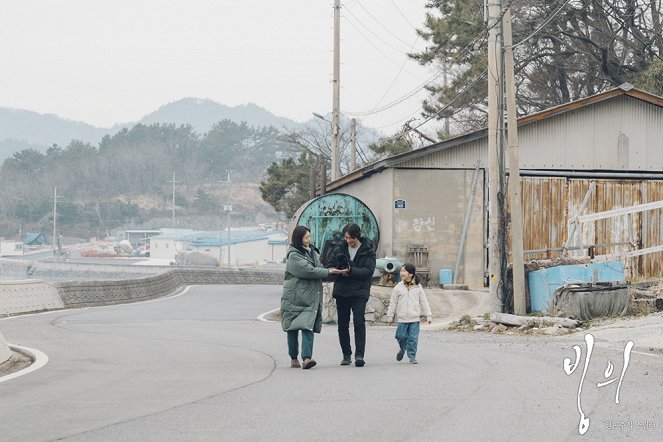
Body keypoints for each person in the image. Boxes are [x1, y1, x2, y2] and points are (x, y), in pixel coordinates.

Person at [281, 225, 346, 369]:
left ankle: (306, 358)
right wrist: (328, 272)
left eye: (309, 236)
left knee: (307, 326)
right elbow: (309, 271)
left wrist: (331, 270)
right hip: (295, 297)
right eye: (306, 237)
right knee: (292, 328)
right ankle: (293, 358)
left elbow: (319, 267)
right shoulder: (293, 256)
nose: (309, 239)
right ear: (299, 238)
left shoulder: (312, 252)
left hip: (309, 296)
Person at [327, 223, 376, 367]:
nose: (349, 241)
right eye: (346, 237)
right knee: (342, 324)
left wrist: (350, 271)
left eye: (351, 238)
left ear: (357, 236)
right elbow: (329, 266)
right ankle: (346, 355)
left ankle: (359, 355)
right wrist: (337, 271)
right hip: (342, 290)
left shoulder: (368, 251)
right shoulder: (339, 249)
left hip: (360, 291)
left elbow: (368, 271)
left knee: (359, 322)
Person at [386, 263, 432, 364]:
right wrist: (390, 316)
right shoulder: (398, 287)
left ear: (410, 274)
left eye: (404, 271)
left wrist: (428, 315)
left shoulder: (418, 287)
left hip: (414, 318)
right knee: (400, 336)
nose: (401, 273)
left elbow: (424, 301)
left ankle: (412, 356)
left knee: (413, 338)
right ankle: (402, 349)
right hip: (402, 318)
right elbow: (393, 303)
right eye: (401, 271)